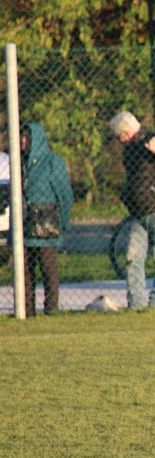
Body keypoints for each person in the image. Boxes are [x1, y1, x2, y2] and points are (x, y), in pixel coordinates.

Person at [109, 110, 155, 310]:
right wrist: (127, 197)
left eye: (118, 136)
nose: (118, 141)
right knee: (132, 257)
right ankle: (135, 303)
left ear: (125, 133)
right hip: (138, 214)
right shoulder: (129, 150)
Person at [18, 123, 75, 317]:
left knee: (47, 266)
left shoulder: (53, 162)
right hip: (24, 222)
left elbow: (65, 194)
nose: (23, 141)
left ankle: (51, 307)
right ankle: (27, 309)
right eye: (21, 136)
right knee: (24, 269)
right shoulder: (18, 162)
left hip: (45, 222)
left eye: (27, 137)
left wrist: (64, 222)